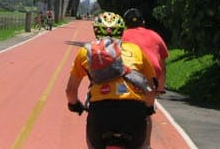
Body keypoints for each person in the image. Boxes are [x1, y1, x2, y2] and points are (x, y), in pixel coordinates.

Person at [66, 11, 156, 149]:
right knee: (142, 145)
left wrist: (74, 105)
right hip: (133, 111)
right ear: (121, 31)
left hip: (100, 112)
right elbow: (150, 88)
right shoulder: (136, 50)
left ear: (96, 31)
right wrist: (148, 108)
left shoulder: (86, 52)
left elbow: (70, 90)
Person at [122, 8, 169, 148]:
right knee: (146, 112)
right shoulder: (155, 35)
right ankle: (146, 145)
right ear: (143, 22)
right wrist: (159, 89)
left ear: (125, 24)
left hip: (129, 77)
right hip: (151, 80)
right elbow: (162, 66)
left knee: (122, 108)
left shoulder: (122, 35)